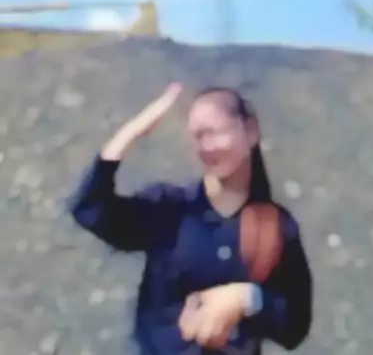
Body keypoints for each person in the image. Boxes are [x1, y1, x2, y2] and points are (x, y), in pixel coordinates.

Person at [68, 83, 313, 354]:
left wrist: (248, 298)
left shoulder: (274, 228)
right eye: (198, 136)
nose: (206, 146)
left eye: (215, 132)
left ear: (251, 130)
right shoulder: (168, 209)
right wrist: (131, 133)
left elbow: (295, 327)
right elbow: (89, 208)